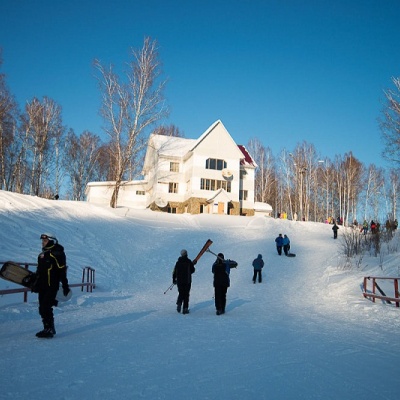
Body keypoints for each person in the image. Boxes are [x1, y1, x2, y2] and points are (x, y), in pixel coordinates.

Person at [32, 233, 70, 338]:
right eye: (42, 241)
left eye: (45, 241)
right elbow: (39, 271)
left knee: (45, 307)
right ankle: (47, 327)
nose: (42, 243)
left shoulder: (57, 253)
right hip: (42, 286)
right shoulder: (41, 255)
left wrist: (65, 285)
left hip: (52, 286)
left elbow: (62, 271)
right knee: (42, 308)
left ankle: (49, 329)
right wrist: (35, 283)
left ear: (51, 241)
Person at [172, 249, 196, 314]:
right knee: (186, 294)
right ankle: (185, 308)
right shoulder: (188, 262)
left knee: (181, 292)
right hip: (187, 281)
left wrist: (174, 279)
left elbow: (174, 272)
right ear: (186, 254)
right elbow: (192, 270)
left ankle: (179, 302)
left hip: (179, 281)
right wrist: (193, 265)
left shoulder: (178, 262)